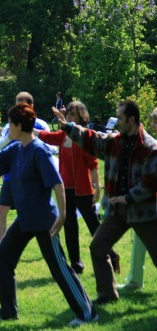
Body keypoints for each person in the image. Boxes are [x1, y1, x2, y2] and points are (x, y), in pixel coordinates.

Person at [0, 103, 98, 327]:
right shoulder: (16, 149)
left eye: (10, 124)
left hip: (46, 222)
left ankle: (87, 312)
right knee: (3, 258)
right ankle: (8, 311)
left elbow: (57, 183)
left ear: (18, 125)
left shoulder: (39, 150)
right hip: (25, 220)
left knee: (59, 268)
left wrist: (62, 214)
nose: (8, 128)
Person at [55, 100, 157, 305]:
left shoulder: (150, 147)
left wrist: (128, 197)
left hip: (142, 212)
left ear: (131, 119)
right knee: (98, 247)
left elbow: (151, 182)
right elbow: (91, 139)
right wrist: (68, 126)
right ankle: (107, 294)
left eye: (120, 118)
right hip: (117, 211)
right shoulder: (114, 142)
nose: (117, 122)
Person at [37, 101, 120, 275]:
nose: (68, 116)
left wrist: (97, 188)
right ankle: (76, 264)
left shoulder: (84, 137)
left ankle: (111, 255)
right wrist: (28, 126)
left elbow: (93, 164)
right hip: (65, 189)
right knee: (69, 226)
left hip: (83, 190)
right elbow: (43, 135)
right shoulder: (61, 136)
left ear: (82, 117)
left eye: (73, 114)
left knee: (93, 225)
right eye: (68, 113)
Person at [0, 92, 56, 260]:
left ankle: (50, 246)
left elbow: (52, 146)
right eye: (17, 103)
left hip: (34, 178)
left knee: (39, 215)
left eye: (23, 104)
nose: (19, 107)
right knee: (2, 210)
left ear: (31, 106)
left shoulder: (41, 125)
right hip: (11, 175)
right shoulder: (11, 125)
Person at [117, 106, 157, 290]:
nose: (154, 125)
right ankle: (134, 280)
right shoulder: (150, 143)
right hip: (149, 203)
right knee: (139, 240)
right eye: (154, 121)